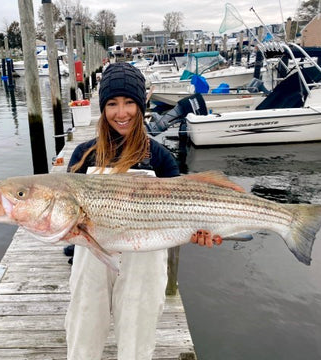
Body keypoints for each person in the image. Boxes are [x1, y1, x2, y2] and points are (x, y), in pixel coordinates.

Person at [64, 62, 221, 360]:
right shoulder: (83, 155)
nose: (121, 113)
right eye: (112, 103)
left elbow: (183, 209)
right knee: (83, 332)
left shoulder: (160, 159)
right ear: (103, 108)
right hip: (93, 250)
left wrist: (198, 232)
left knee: (137, 338)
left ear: (141, 105)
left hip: (144, 256)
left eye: (129, 103)